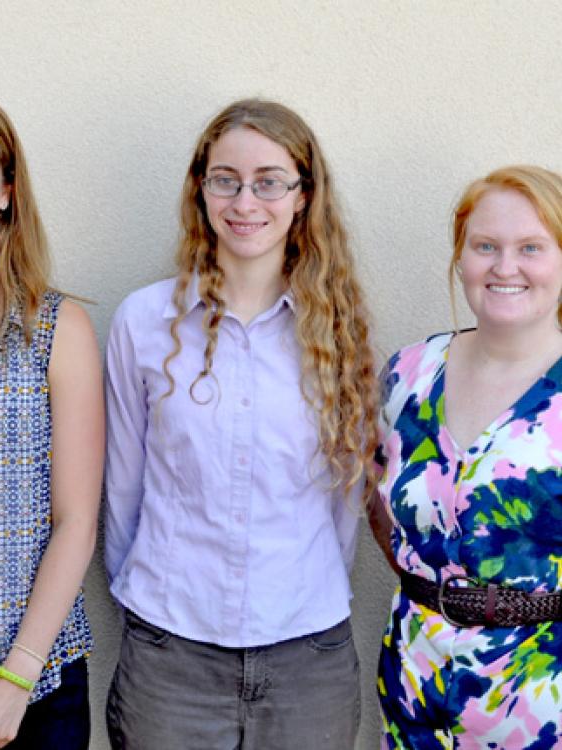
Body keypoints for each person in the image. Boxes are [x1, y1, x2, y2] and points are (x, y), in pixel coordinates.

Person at [105, 98, 378, 750]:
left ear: (303, 195)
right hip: (171, 656)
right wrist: (159, 608)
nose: (245, 201)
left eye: (270, 181)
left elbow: (345, 504)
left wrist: (294, 594)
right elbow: (122, 493)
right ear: (201, 188)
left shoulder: (341, 335)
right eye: (226, 178)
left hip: (306, 658)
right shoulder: (142, 323)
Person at [371, 165, 562, 749]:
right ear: (461, 257)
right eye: (486, 246)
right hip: (414, 685)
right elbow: (379, 503)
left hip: (543, 699)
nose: (506, 267)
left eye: (531, 247)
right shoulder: (408, 375)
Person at [0, 83, 104, 749]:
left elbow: (75, 517)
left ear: (4, 191)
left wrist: (14, 680)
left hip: (36, 686)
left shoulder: (56, 328)